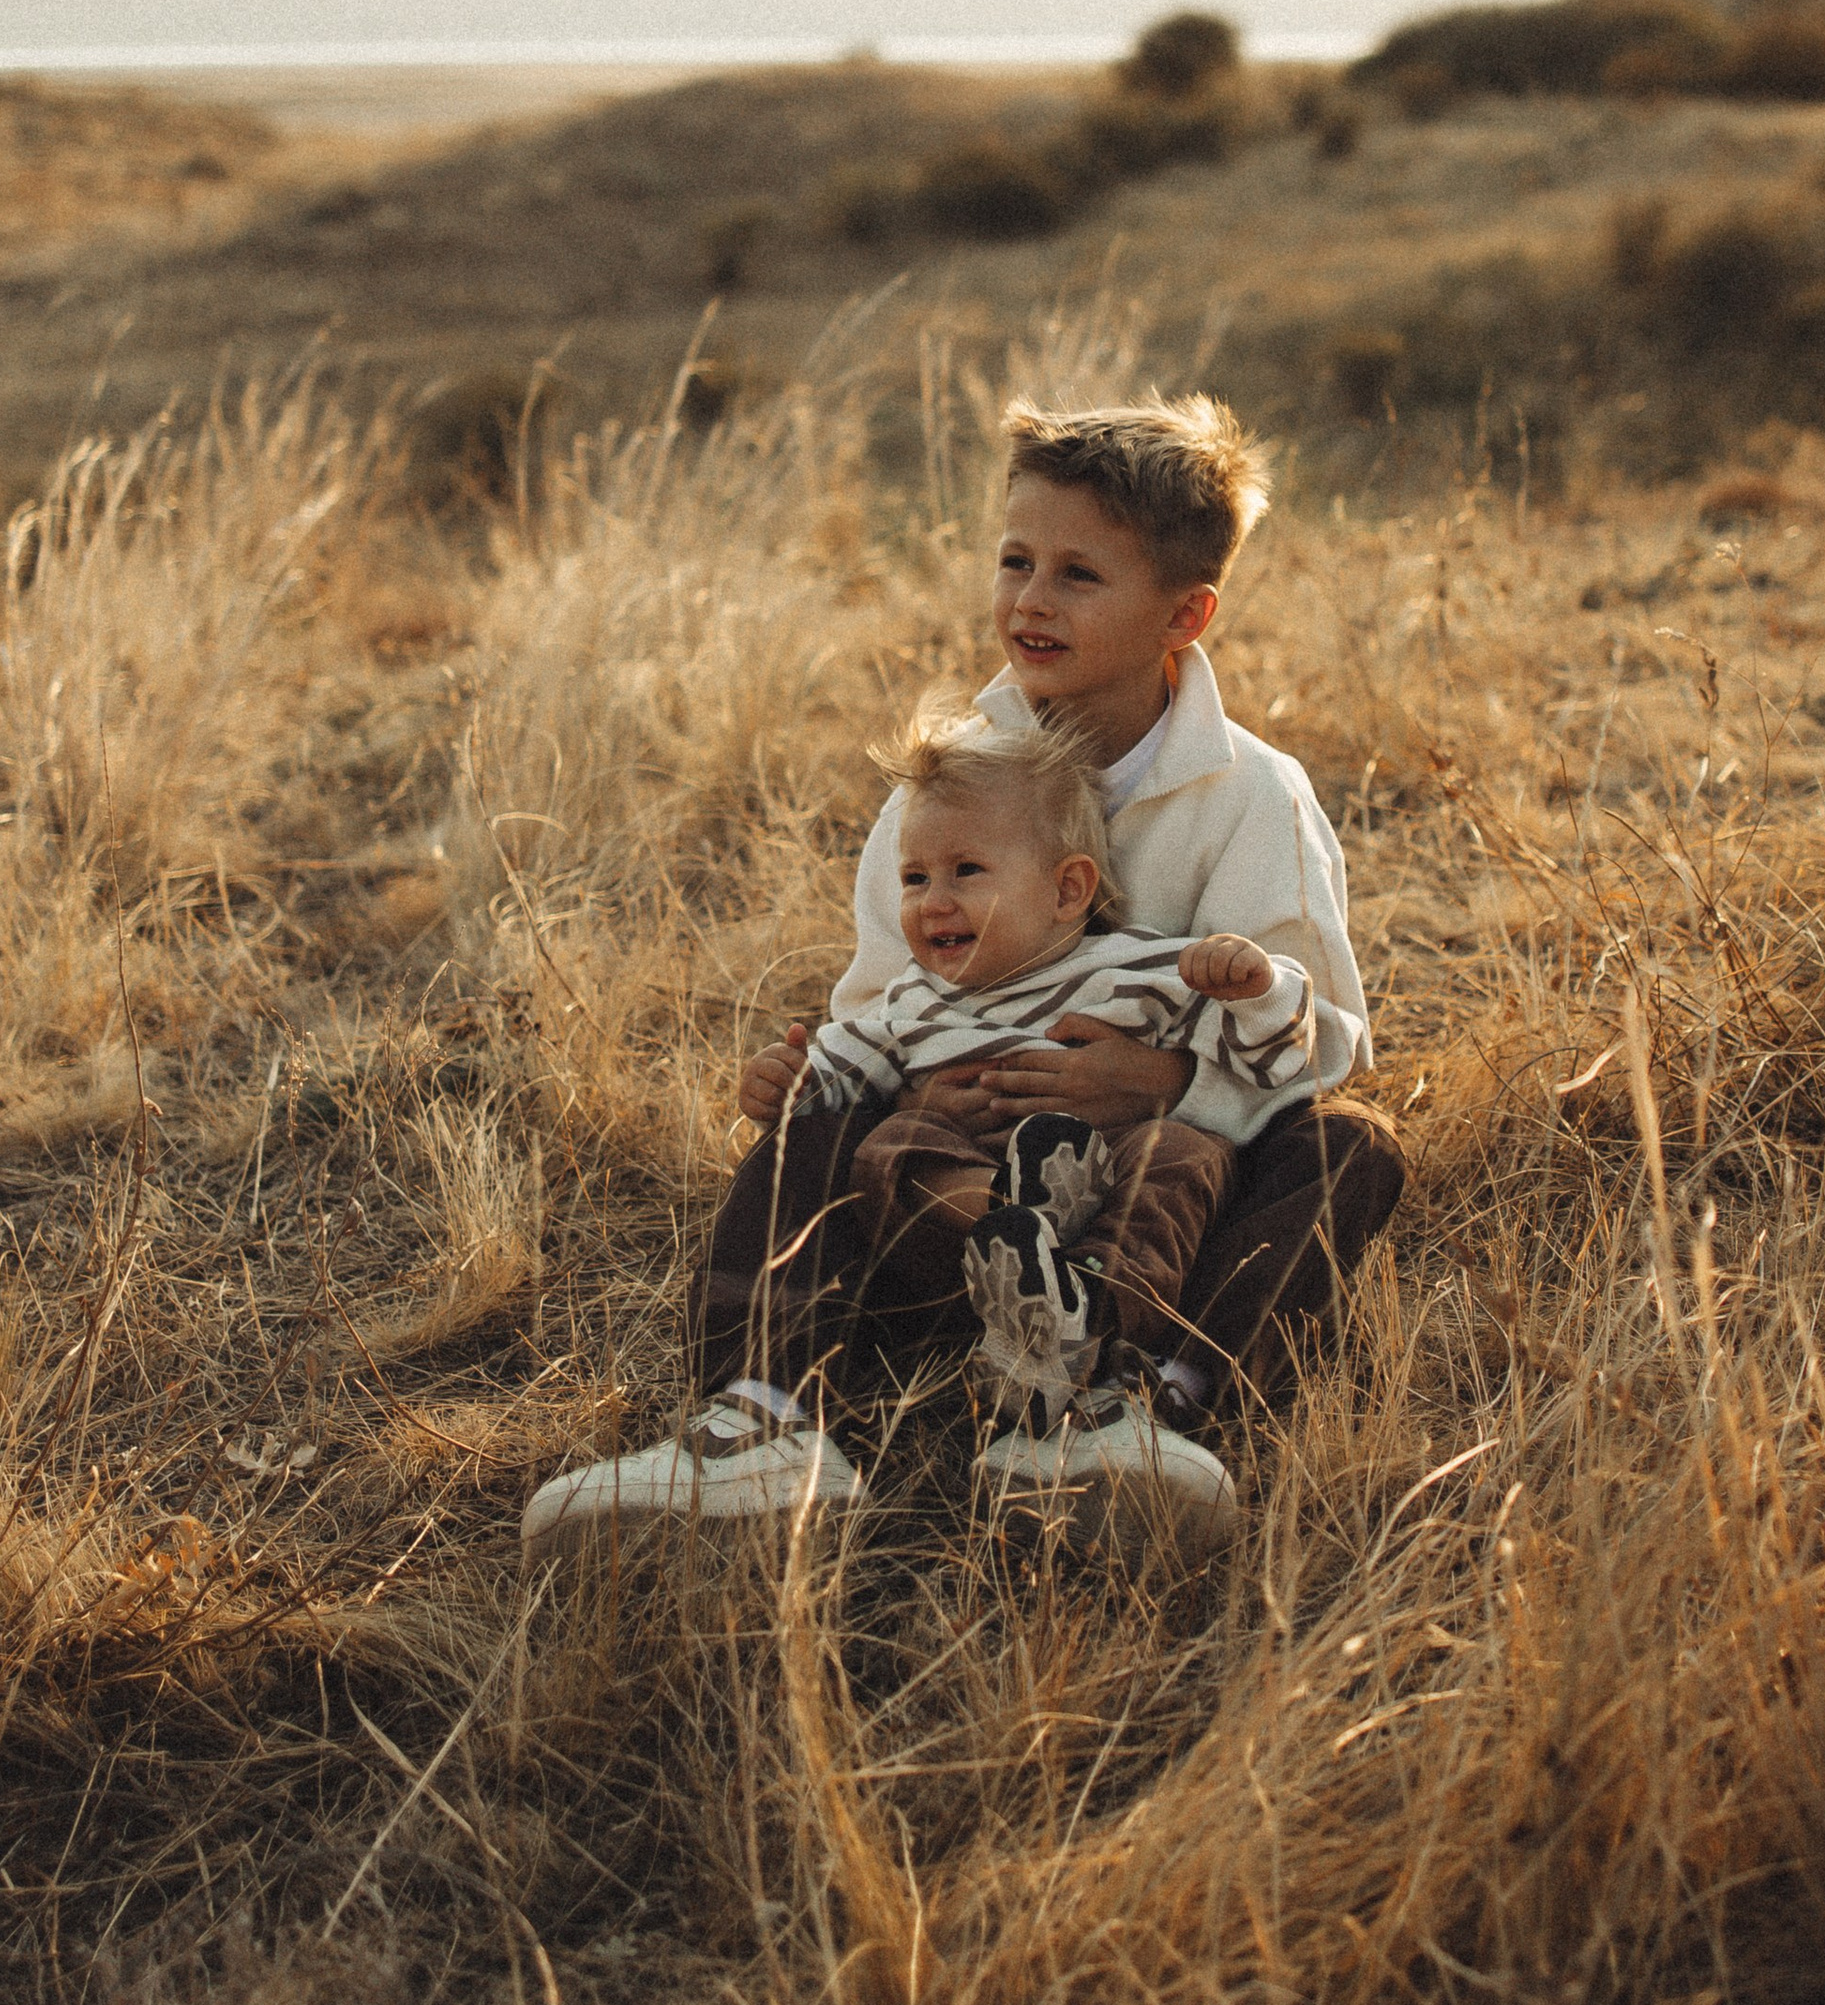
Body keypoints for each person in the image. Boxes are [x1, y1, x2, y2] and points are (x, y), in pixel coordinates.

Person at [517, 392, 1406, 1566]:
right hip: (949, 1196)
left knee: (1348, 1151)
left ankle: (1128, 1417)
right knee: (812, 1135)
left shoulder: (1252, 796)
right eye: (1014, 560)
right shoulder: (944, 778)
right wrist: (818, 1077)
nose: (1030, 600)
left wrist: (1167, 1078)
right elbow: (881, 1002)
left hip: (1155, 1212)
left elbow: (1321, 1041)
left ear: (1185, 613)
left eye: (1080, 575)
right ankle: (761, 1424)